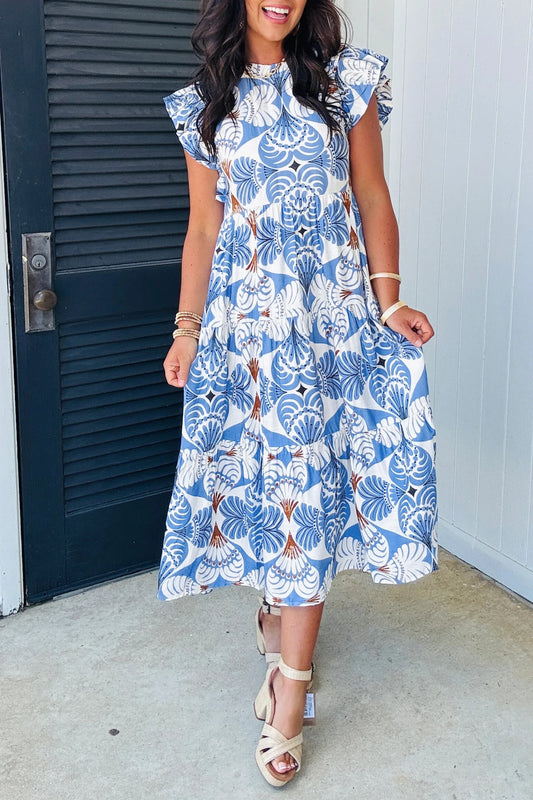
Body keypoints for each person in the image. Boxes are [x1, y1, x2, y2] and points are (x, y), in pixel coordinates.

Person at [159, 0, 438, 787]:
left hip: (333, 320)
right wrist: (186, 328)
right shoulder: (205, 103)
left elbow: (371, 194)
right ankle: (277, 608)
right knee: (266, 481)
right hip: (246, 329)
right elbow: (204, 227)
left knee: (309, 491)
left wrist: (388, 300)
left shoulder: (345, 82)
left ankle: (290, 693)